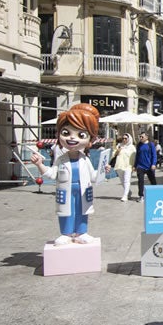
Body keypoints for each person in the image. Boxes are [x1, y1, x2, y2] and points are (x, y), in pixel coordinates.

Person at [30, 103, 102, 245]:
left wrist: (102, 171)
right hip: (66, 191)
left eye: (81, 135)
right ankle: (66, 233)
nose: (72, 138)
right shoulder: (61, 159)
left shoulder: (85, 159)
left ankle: (82, 232)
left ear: (90, 139)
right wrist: (39, 165)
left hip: (83, 191)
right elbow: (51, 174)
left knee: (82, 212)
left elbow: (93, 176)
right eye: (66, 133)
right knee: (66, 212)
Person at [134, 132, 157, 202]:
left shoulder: (151, 145)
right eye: (140, 137)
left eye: (142, 137)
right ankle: (141, 195)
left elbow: (154, 155)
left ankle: (155, 194)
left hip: (149, 166)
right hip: (140, 166)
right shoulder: (139, 145)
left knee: (152, 180)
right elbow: (137, 156)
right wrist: (135, 166)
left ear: (146, 137)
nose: (140, 138)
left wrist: (153, 164)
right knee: (140, 181)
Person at [113, 133, 136, 202]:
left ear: (129, 139)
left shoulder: (132, 147)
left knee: (127, 180)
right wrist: (118, 151)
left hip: (128, 166)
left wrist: (134, 166)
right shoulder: (119, 146)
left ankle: (125, 196)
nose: (124, 140)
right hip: (119, 165)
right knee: (122, 181)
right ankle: (128, 192)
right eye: (123, 138)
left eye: (126, 138)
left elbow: (134, 157)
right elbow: (114, 154)